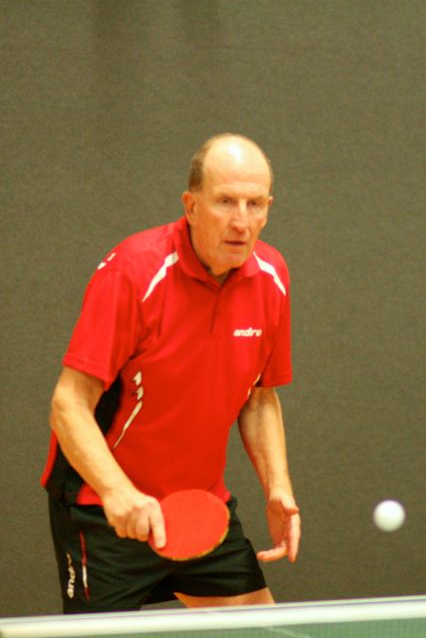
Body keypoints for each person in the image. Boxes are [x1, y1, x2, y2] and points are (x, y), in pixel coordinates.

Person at [42, 133, 301, 613]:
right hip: (106, 511)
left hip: (200, 507)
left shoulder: (272, 277)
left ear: (268, 208)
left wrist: (277, 486)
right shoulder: (134, 271)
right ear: (191, 205)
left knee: (264, 630)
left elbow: (259, 396)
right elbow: (68, 404)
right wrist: (118, 493)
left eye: (254, 204)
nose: (241, 221)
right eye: (225, 201)